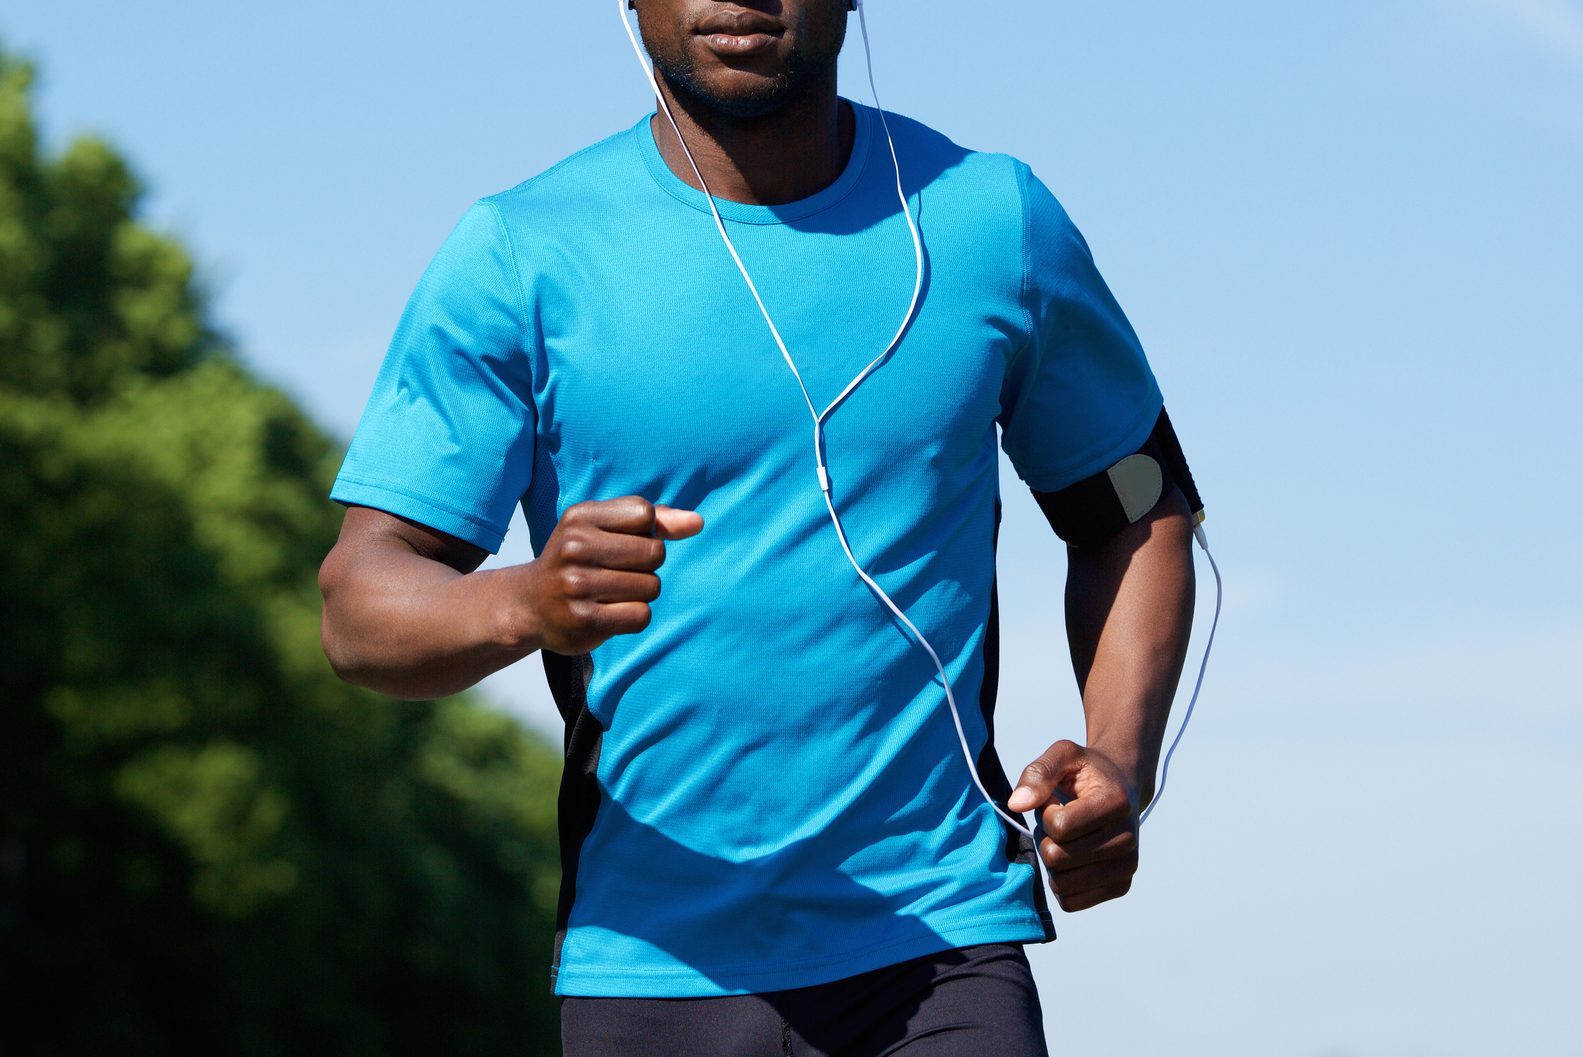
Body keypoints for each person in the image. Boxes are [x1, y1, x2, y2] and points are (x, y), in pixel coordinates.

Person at [317, 1, 1200, 1053]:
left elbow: (1134, 513)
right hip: (647, 962)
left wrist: (1121, 760)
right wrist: (523, 600)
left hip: (938, 938)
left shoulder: (988, 219)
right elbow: (359, 607)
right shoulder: (520, 251)